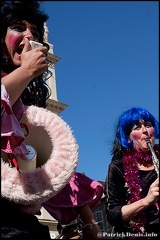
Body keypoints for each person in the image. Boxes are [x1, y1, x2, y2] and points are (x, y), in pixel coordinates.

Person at [1, 1, 103, 239]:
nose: (29, 35)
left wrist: (88, 221)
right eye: (18, 27)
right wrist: (25, 72)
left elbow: (54, 172)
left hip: (23, 224)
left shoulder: (29, 105)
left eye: (35, 33)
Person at [105, 106, 159, 239]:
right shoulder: (118, 167)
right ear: (128, 138)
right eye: (137, 128)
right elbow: (113, 214)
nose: (145, 131)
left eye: (148, 125)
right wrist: (147, 201)